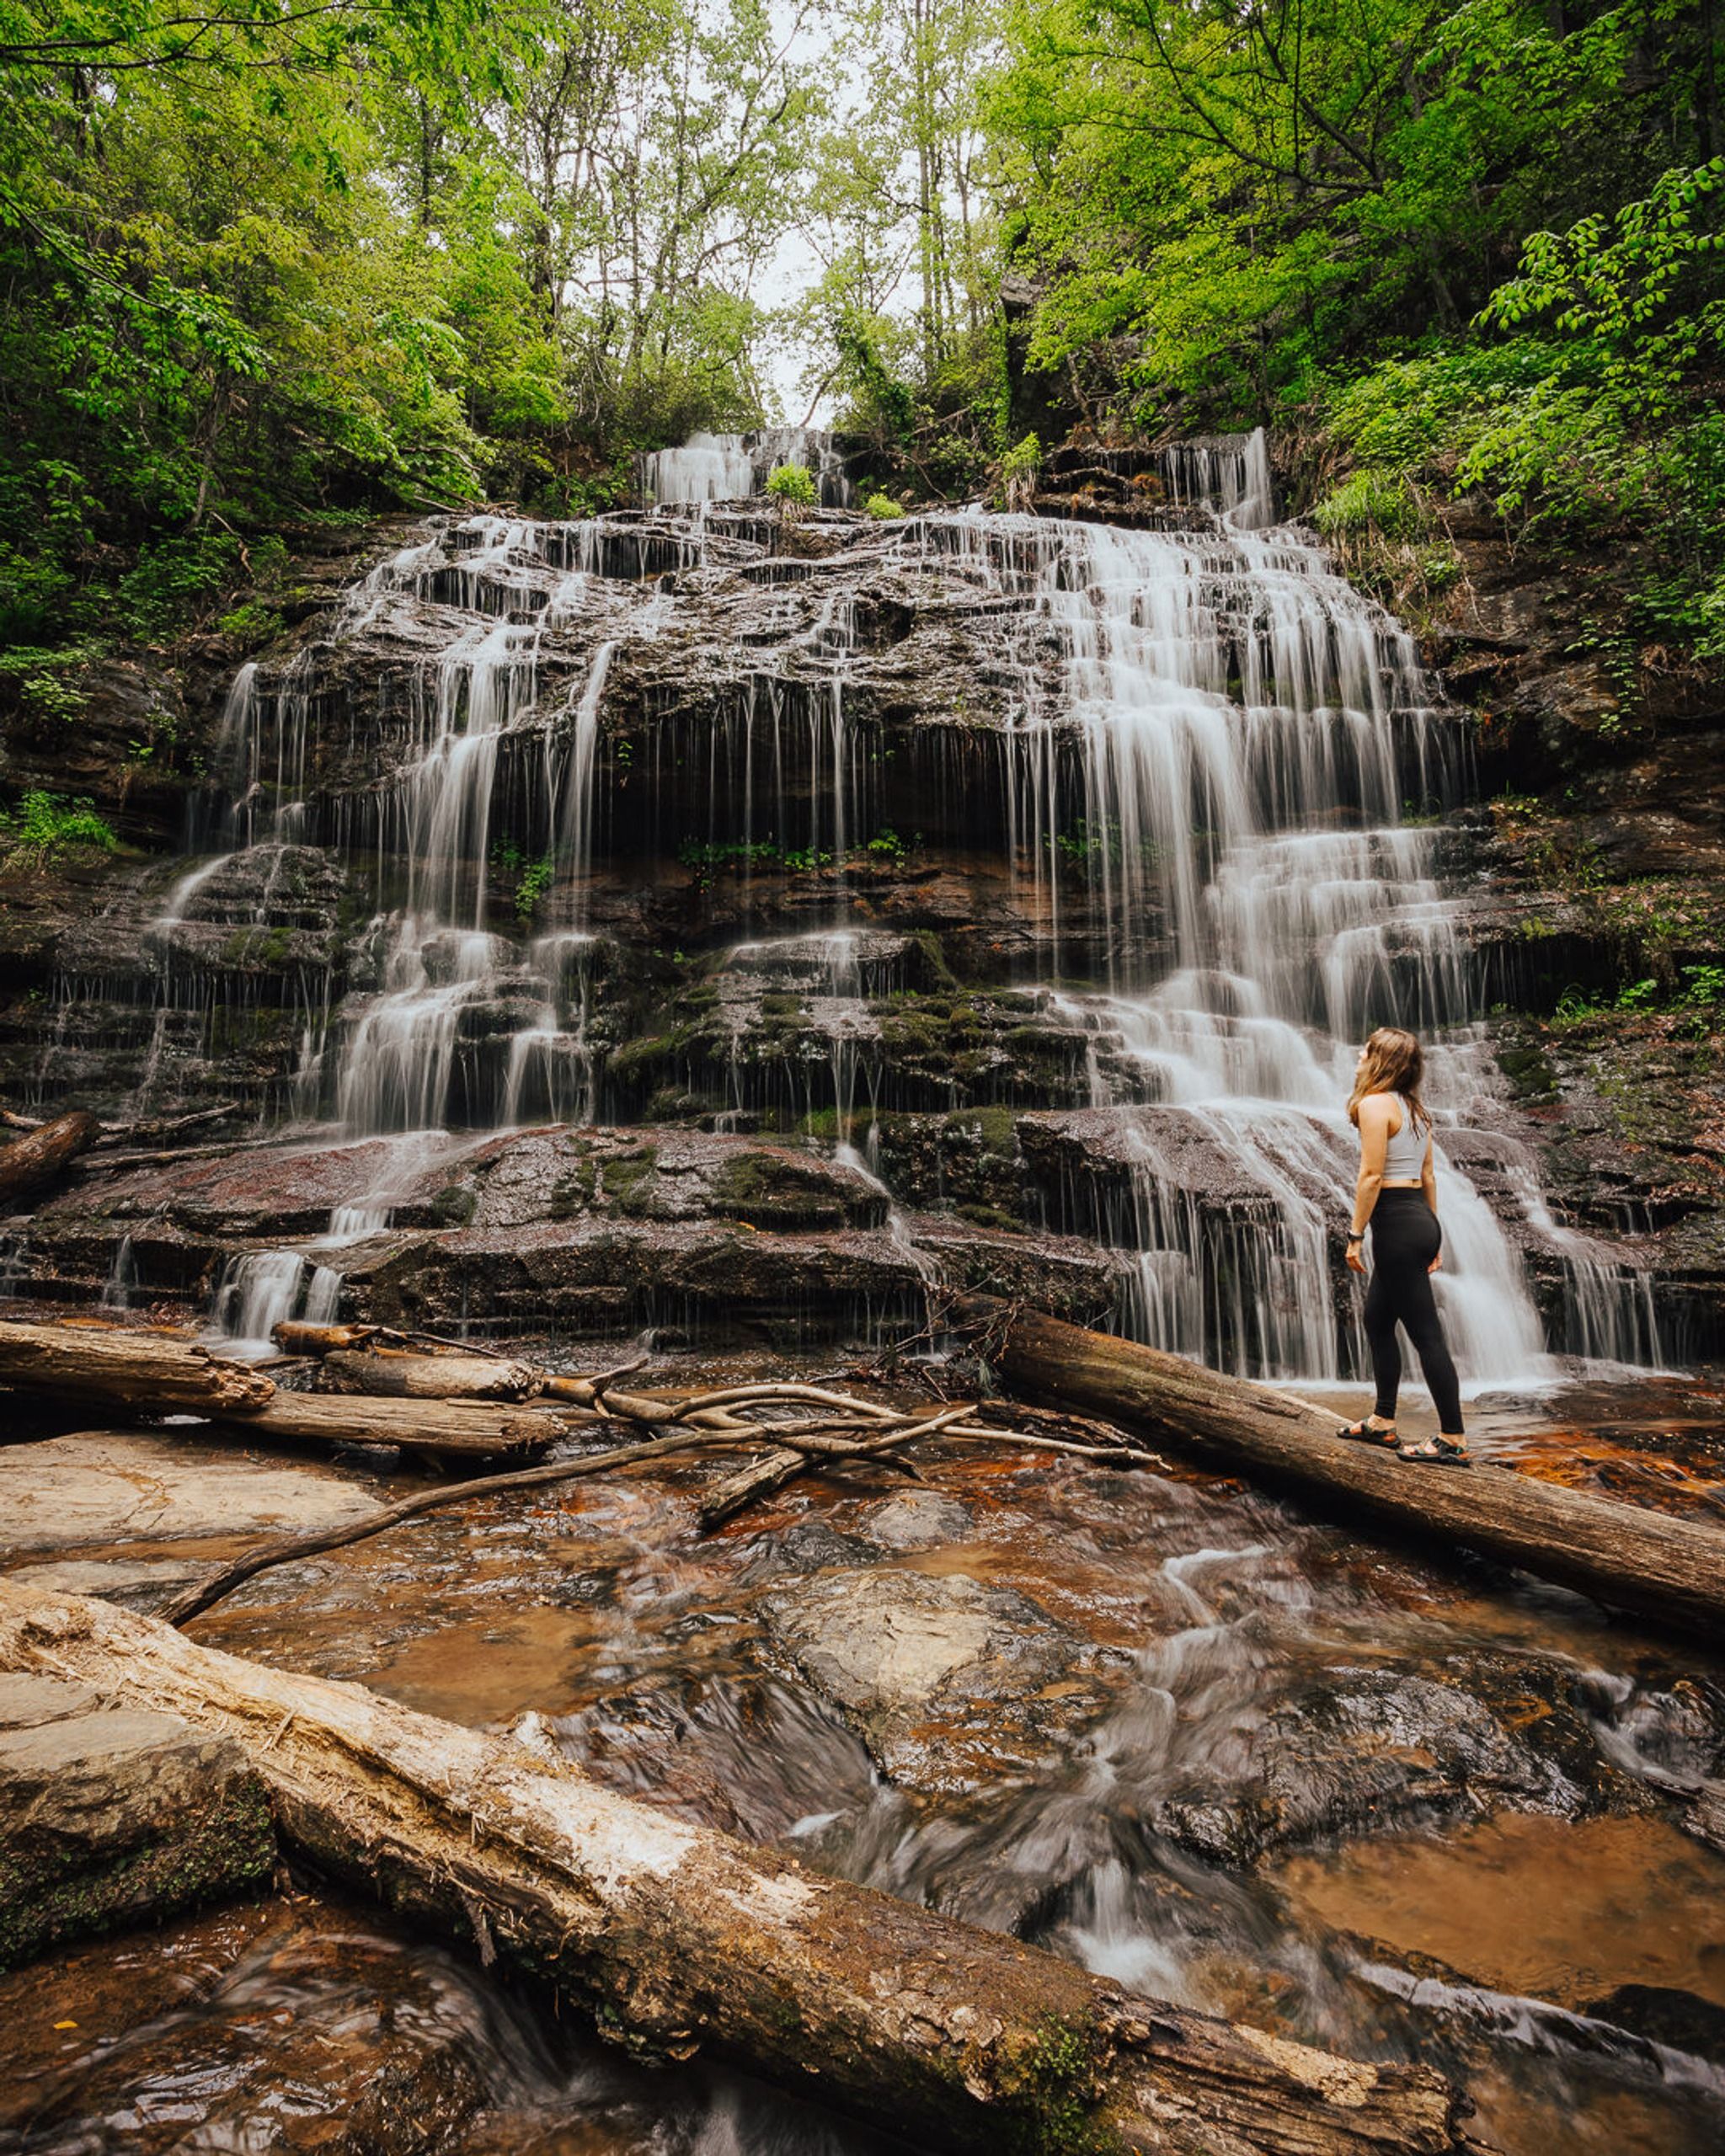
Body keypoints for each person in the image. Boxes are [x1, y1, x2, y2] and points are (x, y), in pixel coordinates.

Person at [1335, 1026, 1469, 1465]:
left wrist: (1355, 1235)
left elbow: (1371, 1176)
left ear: (1380, 1060)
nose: (1359, 1054)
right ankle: (1383, 1422)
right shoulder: (1413, 1108)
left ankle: (1453, 1438)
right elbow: (1429, 1176)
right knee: (1377, 1320)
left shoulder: (1375, 1105)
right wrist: (1434, 1237)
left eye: (1366, 1049)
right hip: (1419, 1219)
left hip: (1395, 1223)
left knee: (1426, 1335)